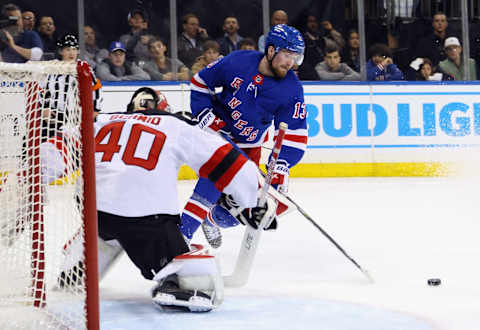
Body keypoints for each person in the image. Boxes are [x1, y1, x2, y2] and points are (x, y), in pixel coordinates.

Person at [90, 87, 276, 312]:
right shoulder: (175, 125)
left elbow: (59, 147)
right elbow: (228, 162)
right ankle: (175, 282)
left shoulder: (102, 120)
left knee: (105, 228)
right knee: (202, 277)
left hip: (94, 216)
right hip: (145, 220)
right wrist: (253, 202)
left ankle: (77, 266)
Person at [180, 24, 308, 248]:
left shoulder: (292, 89)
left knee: (244, 210)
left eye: (295, 57)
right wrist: (208, 118)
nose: (290, 63)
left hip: (249, 148)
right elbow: (200, 83)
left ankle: (210, 219)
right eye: (287, 55)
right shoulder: (238, 61)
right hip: (215, 137)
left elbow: (294, 134)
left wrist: (281, 165)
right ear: (270, 50)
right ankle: (181, 236)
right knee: (214, 178)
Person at [42, 34, 103, 138]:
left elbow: (97, 90)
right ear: (61, 51)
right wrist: (45, 109)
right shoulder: (52, 68)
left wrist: (94, 111)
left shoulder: (84, 68)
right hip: (54, 117)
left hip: (77, 117)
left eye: (74, 49)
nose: (72, 53)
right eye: (67, 49)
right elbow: (44, 91)